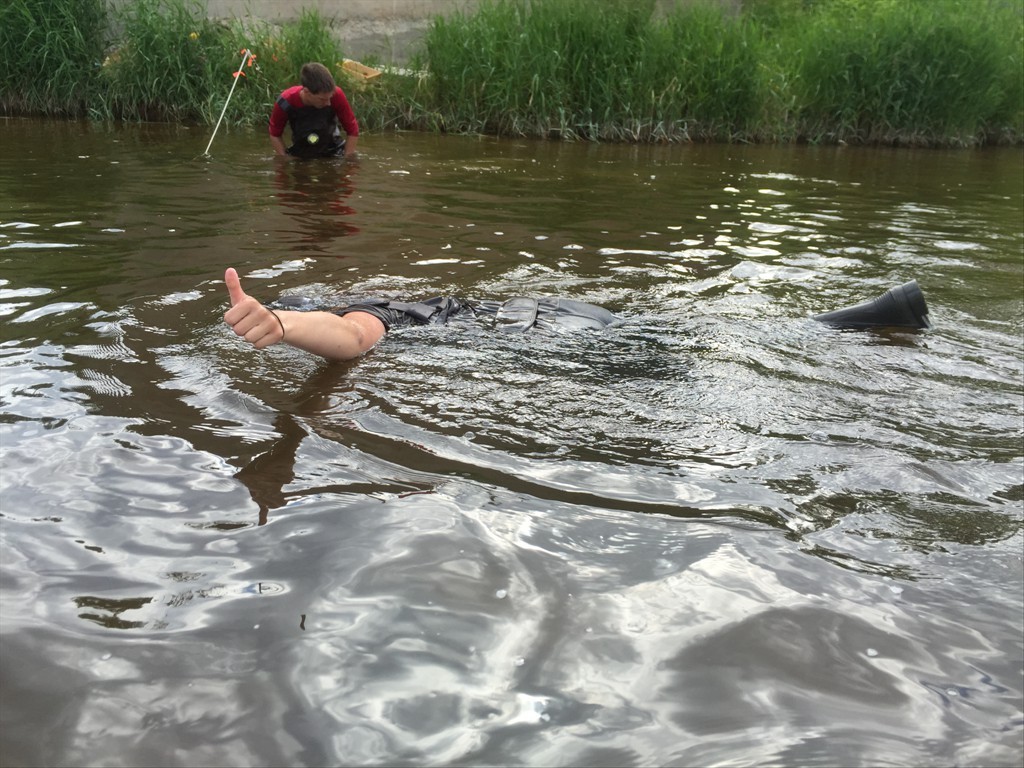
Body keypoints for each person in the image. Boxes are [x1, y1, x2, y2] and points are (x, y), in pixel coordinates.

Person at [222, 268, 622, 362]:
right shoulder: (429, 300)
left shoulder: (376, 312)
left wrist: (283, 323)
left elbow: (353, 337)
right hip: (575, 312)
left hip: (545, 333)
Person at [268, 62, 359, 159]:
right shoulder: (285, 101)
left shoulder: (337, 95)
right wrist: (285, 158)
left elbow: (352, 129)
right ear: (307, 92)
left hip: (334, 149)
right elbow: (275, 134)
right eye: (322, 99)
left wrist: (347, 159)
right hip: (302, 151)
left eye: (330, 98)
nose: (328, 103)